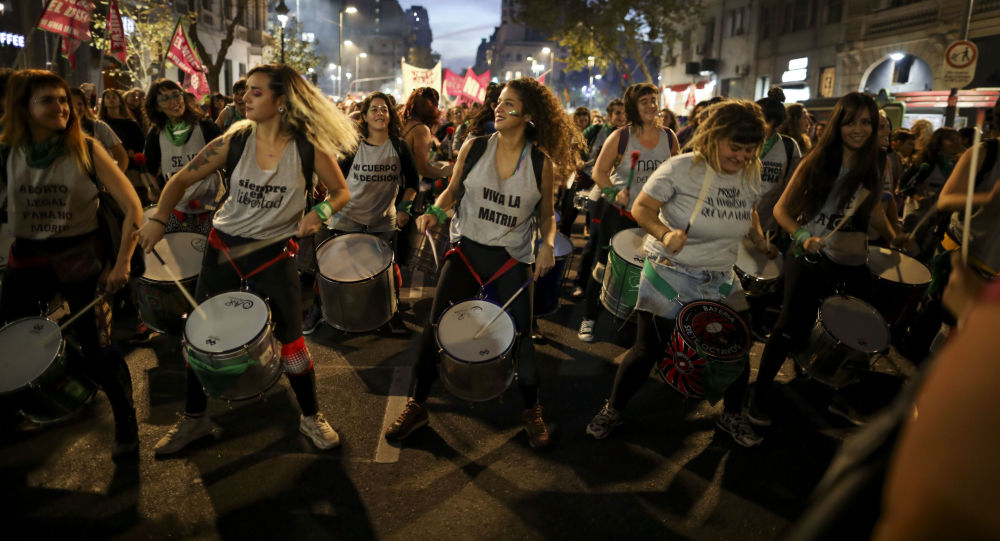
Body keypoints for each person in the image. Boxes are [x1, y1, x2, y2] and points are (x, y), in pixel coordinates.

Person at [137, 64, 358, 456]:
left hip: (274, 254)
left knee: (292, 345)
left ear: (282, 101)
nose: (244, 97)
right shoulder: (235, 139)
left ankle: (310, 416)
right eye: (246, 91)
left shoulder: (308, 147)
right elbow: (180, 180)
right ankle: (194, 418)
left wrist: (319, 213)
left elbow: (341, 192)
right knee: (199, 338)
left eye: (257, 92)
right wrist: (157, 219)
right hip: (223, 249)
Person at [383, 77, 576, 450]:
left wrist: (548, 244)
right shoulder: (474, 147)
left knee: (521, 335)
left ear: (529, 114)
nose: (499, 108)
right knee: (435, 328)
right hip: (468, 252)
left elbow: (547, 216)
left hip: (511, 259)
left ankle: (531, 409)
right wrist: (436, 212)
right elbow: (452, 192)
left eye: (509, 104)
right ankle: (417, 404)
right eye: (499, 102)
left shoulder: (540, 163)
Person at [585, 99, 770, 445]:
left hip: (720, 276)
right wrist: (665, 234)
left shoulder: (751, 171)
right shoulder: (680, 168)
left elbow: (751, 209)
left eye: (750, 149)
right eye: (735, 147)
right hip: (671, 272)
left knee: (737, 351)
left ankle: (731, 415)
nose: (743, 156)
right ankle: (614, 408)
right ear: (715, 136)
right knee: (647, 350)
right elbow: (642, 208)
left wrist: (759, 239)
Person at [0, 69, 143, 459]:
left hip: (80, 258)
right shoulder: (7, 151)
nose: (61, 108)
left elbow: (133, 208)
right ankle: (15, 410)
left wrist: (122, 264)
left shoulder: (87, 149)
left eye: (64, 100)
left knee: (98, 349)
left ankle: (126, 422)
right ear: (24, 107)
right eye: (48, 100)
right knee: (9, 339)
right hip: (27, 258)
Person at [747, 92, 911, 426]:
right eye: (850, 122)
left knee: (856, 334)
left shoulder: (876, 162)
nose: (858, 129)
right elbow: (781, 210)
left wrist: (895, 235)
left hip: (854, 261)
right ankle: (757, 396)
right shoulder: (817, 161)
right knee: (790, 327)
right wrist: (802, 236)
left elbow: (875, 211)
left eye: (866, 122)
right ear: (838, 124)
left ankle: (837, 396)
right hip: (810, 257)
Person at [302, 91, 420, 334]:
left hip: (382, 221)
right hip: (345, 217)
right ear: (364, 116)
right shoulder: (353, 146)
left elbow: (412, 183)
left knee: (387, 270)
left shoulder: (399, 147)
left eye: (384, 109)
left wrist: (404, 208)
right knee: (327, 268)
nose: (380, 113)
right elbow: (335, 182)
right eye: (374, 109)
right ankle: (317, 309)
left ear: (390, 115)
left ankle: (391, 313)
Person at [578, 83, 680, 342]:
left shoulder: (669, 137)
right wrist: (613, 193)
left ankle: (636, 322)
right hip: (618, 214)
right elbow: (599, 172)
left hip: (653, 218)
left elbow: (677, 174)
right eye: (645, 101)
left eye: (654, 100)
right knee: (603, 267)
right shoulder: (621, 136)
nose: (652, 105)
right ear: (633, 106)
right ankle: (589, 318)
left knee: (648, 270)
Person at [142, 79, 222, 234]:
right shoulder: (155, 134)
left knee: (207, 245)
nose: (174, 101)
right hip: (176, 206)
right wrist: (152, 188)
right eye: (165, 98)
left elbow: (226, 159)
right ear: (157, 106)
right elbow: (147, 171)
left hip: (210, 205)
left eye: (176, 95)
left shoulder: (206, 127)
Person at [570, 98, 627, 298]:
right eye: (617, 113)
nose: (622, 116)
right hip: (598, 189)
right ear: (609, 116)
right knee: (594, 241)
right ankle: (580, 284)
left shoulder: (633, 134)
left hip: (625, 198)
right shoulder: (599, 130)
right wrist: (578, 160)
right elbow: (575, 143)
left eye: (624, 112)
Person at [898, 127, 962, 259]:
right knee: (910, 251)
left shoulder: (957, 165)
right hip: (917, 215)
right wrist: (918, 197)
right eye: (951, 139)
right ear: (938, 142)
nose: (956, 143)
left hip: (938, 218)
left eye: (957, 139)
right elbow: (904, 184)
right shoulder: (926, 162)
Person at [98, 88, 147, 202]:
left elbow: (141, 143)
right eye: (108, 97)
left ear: (120, 101)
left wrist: (134, 151)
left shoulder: (130, 123)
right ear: (104, 102)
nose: (111, 100)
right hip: (109, 166)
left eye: (114, 97)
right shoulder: (100, 125)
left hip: (131, 166)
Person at [69, 87, 128, 173]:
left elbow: (122, 156)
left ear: (85, 106)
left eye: (80, 104)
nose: (76, 108)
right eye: (71, 104)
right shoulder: (57, 129)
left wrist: (113, 178)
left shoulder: (97, 126)